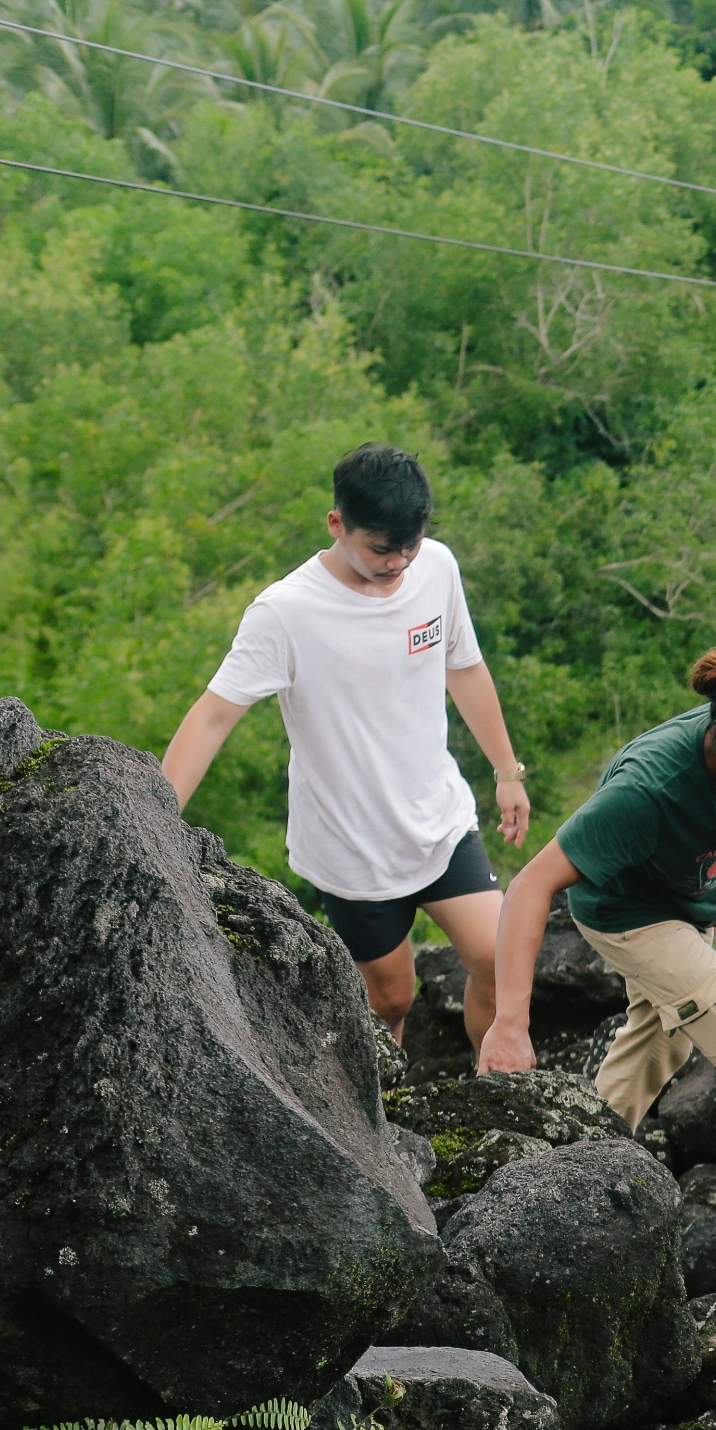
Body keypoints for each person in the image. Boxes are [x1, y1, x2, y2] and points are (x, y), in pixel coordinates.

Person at [162, 443, 530, 1042]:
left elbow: (464, 668)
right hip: (351, 848)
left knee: (499, 961)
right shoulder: (286, 612)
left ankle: (489, 1088)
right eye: (381, 549)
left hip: (438, 819)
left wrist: (506, 771)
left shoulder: (435, 568)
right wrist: (156, 816)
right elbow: (213, 716)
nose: (398, 562)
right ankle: (387, 1120)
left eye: (409, 546)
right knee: (391, 1001)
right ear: (338, 524)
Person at [477, 650, 716, 1224]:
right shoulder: (648, 789)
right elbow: (528, 888)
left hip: (685, 905)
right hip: (628, 913)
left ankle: (579, 1167)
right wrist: (510, 1025)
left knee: (663, 1038)